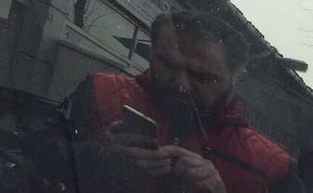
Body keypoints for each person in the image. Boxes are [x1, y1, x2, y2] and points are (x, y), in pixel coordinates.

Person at [66, 11, 305, 192]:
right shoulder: (98, 91)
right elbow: (43, 155)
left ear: (237, 79)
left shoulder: (275, 169)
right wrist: (96, 158)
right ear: (152, 53)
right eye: (168, 65)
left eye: (203, 77)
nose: (182, 85)